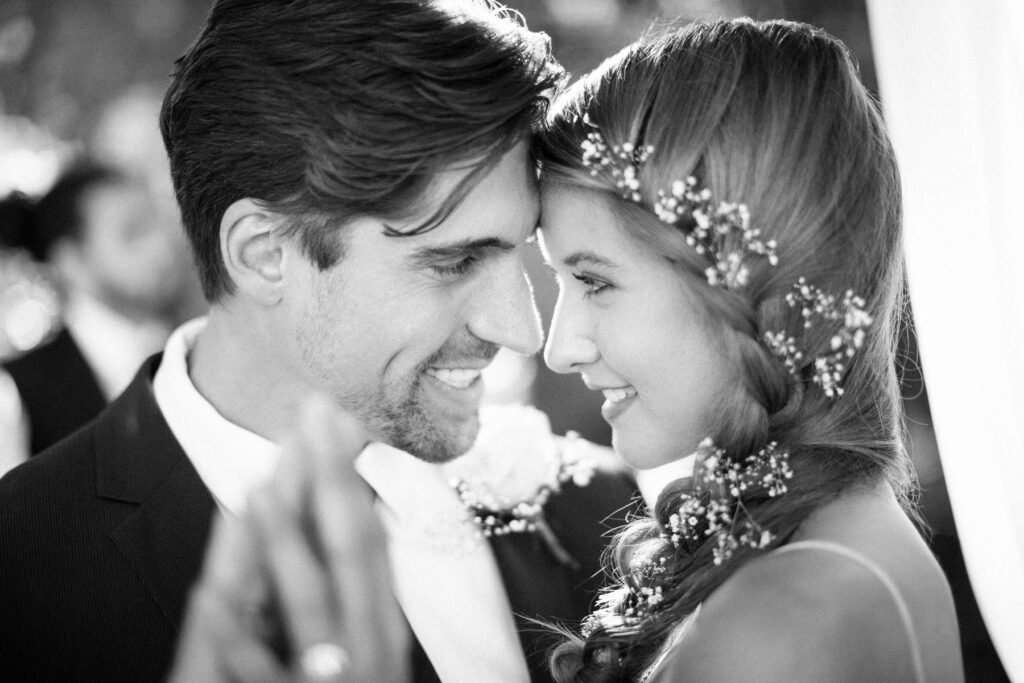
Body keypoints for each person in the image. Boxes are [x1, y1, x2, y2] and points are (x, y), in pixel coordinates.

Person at [181, 16, 964, 683]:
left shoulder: (784, 621)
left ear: (753, 280)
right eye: (457, 259)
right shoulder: (836, 540)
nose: (553, 345)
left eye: (593, 281)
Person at [0, 2, 634, 682]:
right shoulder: (22, 573)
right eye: (454, 262)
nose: (523, 330)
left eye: (519, 250)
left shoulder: (598, 511)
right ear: (265, 253)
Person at [0, 162, 193, 471]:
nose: (162, 247)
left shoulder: (190, 342)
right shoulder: (17, 395)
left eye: (159, 223)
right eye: (132, 234)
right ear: (70, 261)